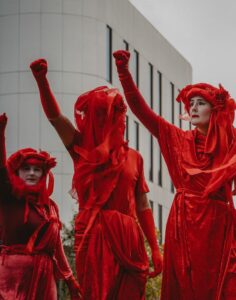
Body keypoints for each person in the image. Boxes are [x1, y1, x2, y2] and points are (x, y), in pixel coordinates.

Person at [30, 58, 162, 300]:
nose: (109, 119)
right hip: (94, 234)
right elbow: (56, 119)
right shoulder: (81, 147)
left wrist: (154, 247)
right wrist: (42, 81)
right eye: (100, 114)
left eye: (114, 113)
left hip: (130, 239)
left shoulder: (135, 158)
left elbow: (143, 205)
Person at [113, 49, 236, 299]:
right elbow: (141, 111)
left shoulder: (231, 142)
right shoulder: (176, 139)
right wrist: (123, 72)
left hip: (220, 223)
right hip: (186, 221)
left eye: (200, 103)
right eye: (190, 103)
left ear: (215, 109)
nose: (192, 107)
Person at [0, 113, 81, 299]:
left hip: (43, 278)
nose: (31, 173)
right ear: (17, 171)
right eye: (26, 168)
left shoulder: (50, 208)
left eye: (37, 169)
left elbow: (56, 247)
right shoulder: (8, 198)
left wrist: (70, 280)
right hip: (11, 277)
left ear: (43, 173)